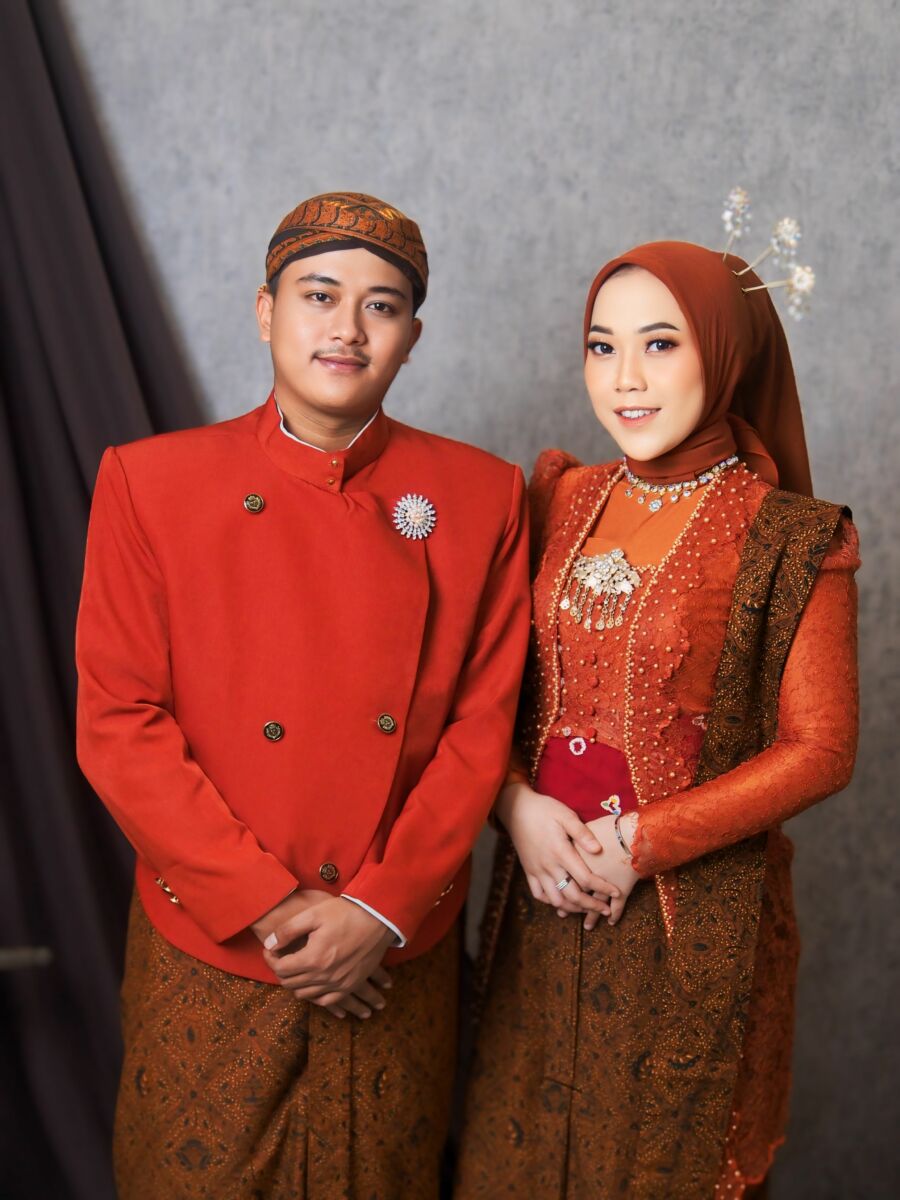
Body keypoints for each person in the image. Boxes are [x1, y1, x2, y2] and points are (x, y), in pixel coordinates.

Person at [75, 191, 531, 1198]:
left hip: (389, 955)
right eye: (320, 294)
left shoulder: (483, 496)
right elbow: (118, 723)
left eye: (382, 306)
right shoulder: (150, 483)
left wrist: (377, 909)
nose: (347, 327)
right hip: (215, 942)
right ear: (265, 310)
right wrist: (270, 907)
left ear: (412, 337)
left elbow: (480, 728)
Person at [455, 240, 859, 1198]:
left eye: (661, 344)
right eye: (602, 346)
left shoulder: (792, 536)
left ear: (726, 353)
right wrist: (512, 805)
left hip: (685, 924)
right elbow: (487, 691)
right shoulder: (560, 497)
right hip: (535, 898)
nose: (625, 378)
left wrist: (642, 843)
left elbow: (823, 748)